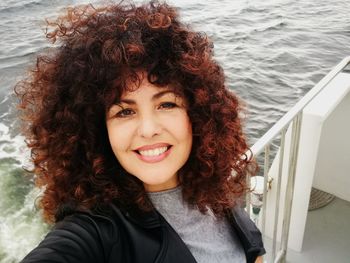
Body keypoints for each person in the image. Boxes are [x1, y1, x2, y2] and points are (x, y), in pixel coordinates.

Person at [16, 1, 265, 262]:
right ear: (98, 130)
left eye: (167, 104)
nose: (148, 130)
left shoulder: (212, 188)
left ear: (197, 113)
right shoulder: (98, 231)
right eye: (124, 111)